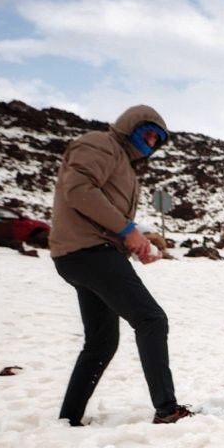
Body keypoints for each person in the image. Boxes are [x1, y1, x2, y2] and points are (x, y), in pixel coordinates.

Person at [49, 105, 193, 427]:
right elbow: (78, 190)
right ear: (130, 126)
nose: (152, 140)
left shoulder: (124, 163)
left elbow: (106, 210)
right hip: (89, 252)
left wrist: (133, 241)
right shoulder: (101, 144)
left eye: (158, 138)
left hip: (86, 253)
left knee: (101, 342)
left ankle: (68, 419)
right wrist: (127, 232)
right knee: (151, 320)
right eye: (148, 132)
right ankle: (167, 409)